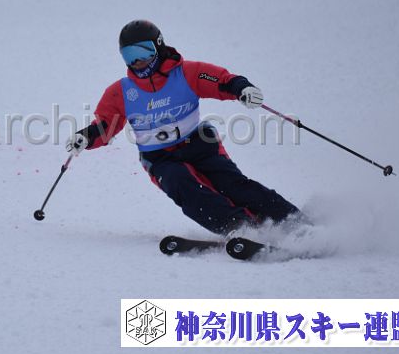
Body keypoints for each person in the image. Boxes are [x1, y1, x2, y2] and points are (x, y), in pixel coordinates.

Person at [66, 20, 300, 236]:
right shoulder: (121, 92)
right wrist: (86, 137)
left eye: (143, 53)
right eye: (129, 56)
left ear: (158, 47)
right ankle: (240, 228)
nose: (137, 62)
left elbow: (221, 80)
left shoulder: (186, 73)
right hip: (159, 158)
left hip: (199, 144)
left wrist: (242, 89)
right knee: (183, 186)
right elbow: (105, 124)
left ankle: (294, 221)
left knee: (232, 185)